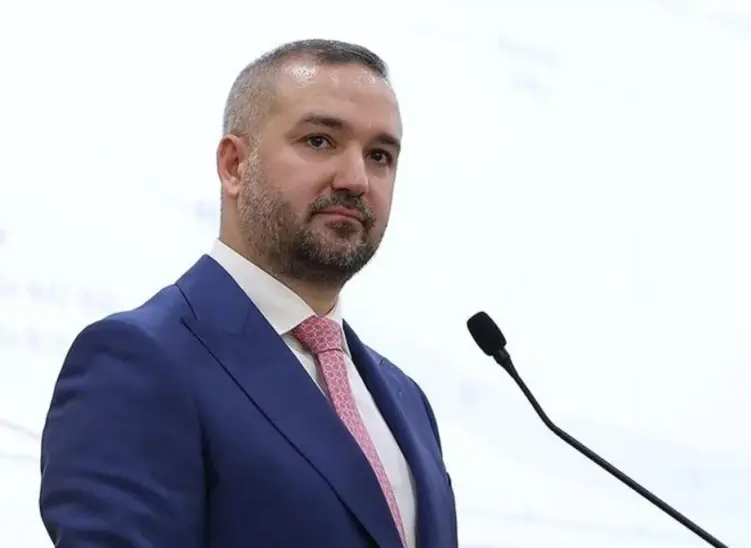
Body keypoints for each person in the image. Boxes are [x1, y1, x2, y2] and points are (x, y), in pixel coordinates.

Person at [39, 39, 458, 548]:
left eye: (379, 156)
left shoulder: (406, 399)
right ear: (235, 165)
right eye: (320, 141)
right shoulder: (137, 361)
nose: (356, 179)